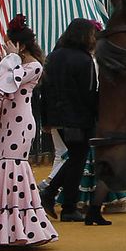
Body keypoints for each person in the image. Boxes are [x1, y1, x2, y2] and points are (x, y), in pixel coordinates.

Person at [0, 16, 57, 248]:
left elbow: (10, 82)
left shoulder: (33, 66)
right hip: (8, 120)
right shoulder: (18, 64)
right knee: (4, 165)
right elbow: (2, 88)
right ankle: (3, 229)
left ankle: (18, 229)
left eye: (9, 43)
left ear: (21, 45)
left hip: (20, 123)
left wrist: (11, 57)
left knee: (12, 165)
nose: (5, 47)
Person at [39, 18, 100, 223]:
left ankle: (53, 194)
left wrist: (46, 119)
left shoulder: (54, 57)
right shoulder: (84, 60)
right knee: (77, 159)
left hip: (58, 117)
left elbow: (44, 91)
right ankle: (67, 205)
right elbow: (89, 93)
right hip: (79, 118)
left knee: (74, 158)